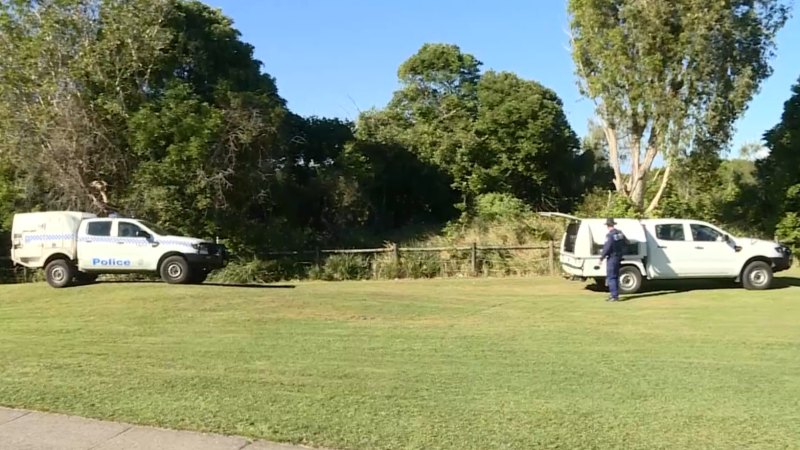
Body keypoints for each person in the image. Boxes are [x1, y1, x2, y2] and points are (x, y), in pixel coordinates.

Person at [599, 218, 626, 302]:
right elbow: (626, 242)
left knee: (611, 277)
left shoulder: (610, 235)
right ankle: (615, 294)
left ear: (607, 226)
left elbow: (607, 247)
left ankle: (614, 296)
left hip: (612, 257)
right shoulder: (620, 233)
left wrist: (601, 258)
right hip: (618, 257)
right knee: (616, 276)